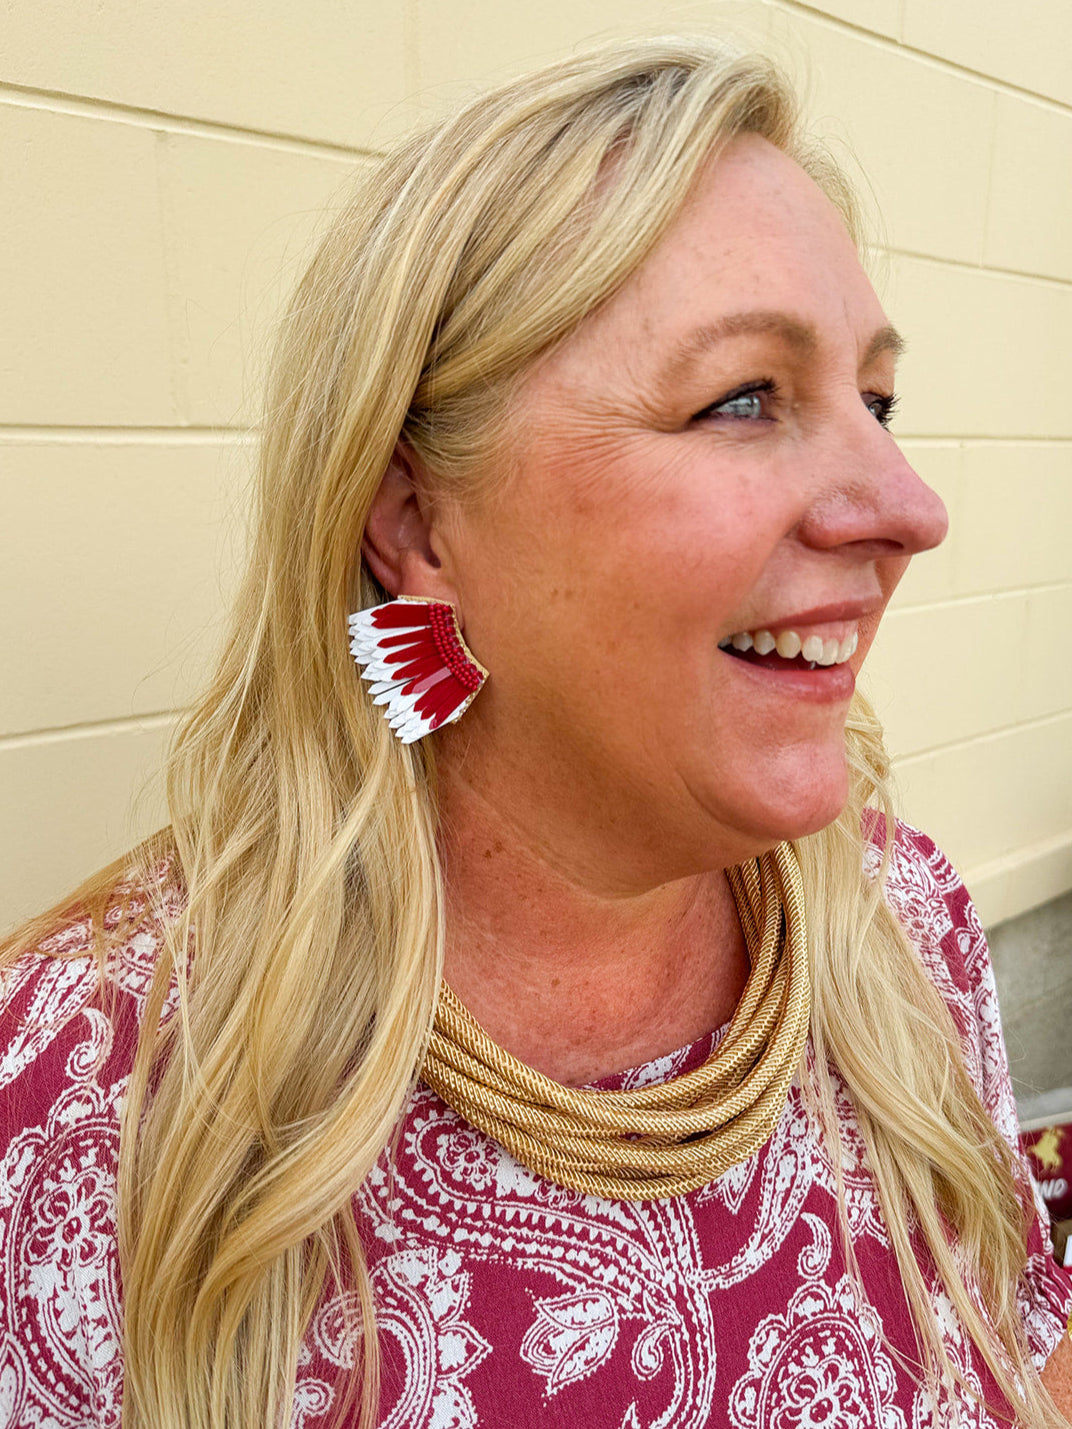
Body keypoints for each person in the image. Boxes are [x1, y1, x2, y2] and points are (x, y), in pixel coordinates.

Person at [1, 34, 1070, 1429]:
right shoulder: (99, 1098)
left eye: (875, 401)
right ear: (417, 525)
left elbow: (1022, 1344)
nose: (909, 506)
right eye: (744, 397)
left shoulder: (901, 926)